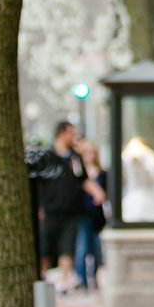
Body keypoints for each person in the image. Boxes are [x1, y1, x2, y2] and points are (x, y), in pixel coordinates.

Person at [39, 121, 104, 292]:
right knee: (45, 247)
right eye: (71, 133)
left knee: (67, 247)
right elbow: (38, 184)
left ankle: (63, 281)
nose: (73, 136)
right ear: (62, 133)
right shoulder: (47, 155)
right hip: (50, 211)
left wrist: (96, 191)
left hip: (70, 211)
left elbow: (82, 180)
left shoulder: (75, 157)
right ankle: (41, 279)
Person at [74, 139, 108, 291]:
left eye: (92, 152)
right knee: (82, 249)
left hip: (97, 217)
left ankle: (93, 279)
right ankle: (83, 283)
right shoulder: (79, 172)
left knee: (96, 252)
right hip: (82, 215)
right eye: (87, 152)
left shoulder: (102, 173)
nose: (90, 155)